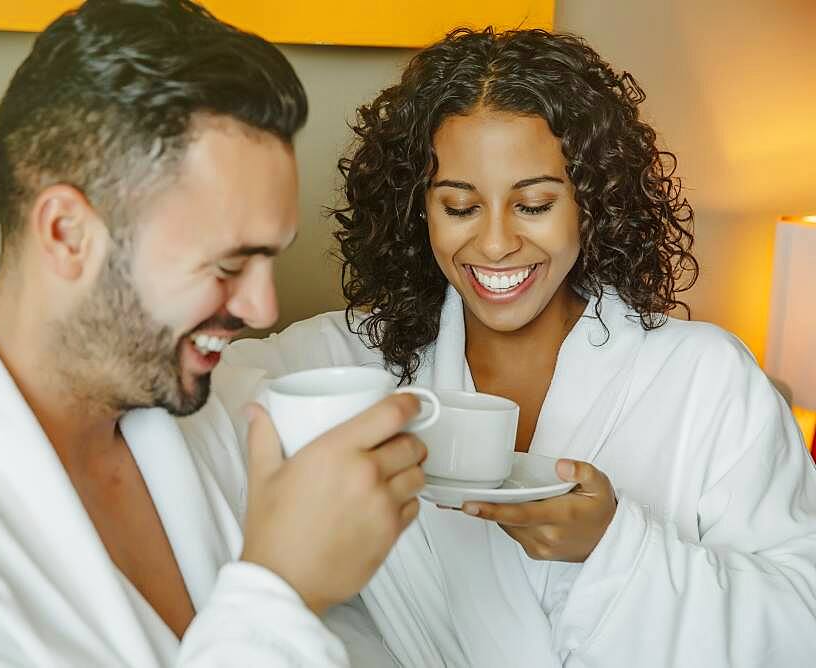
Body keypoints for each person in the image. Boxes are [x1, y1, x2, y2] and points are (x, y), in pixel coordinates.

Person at [0, 1, 427, 665]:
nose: (261, 306)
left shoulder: (220, 415)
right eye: (228, 264)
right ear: (67, 234)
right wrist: (279, 595)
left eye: (270, 259)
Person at [203, 26, 816, 666]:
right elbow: (175, 404)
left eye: (533, 205)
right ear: (419, 210)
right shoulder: (347, 365)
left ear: (591, 201)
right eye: (460, 208)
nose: (495, 245)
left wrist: (613, 548)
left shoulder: (705, 377)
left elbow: (802, 622)